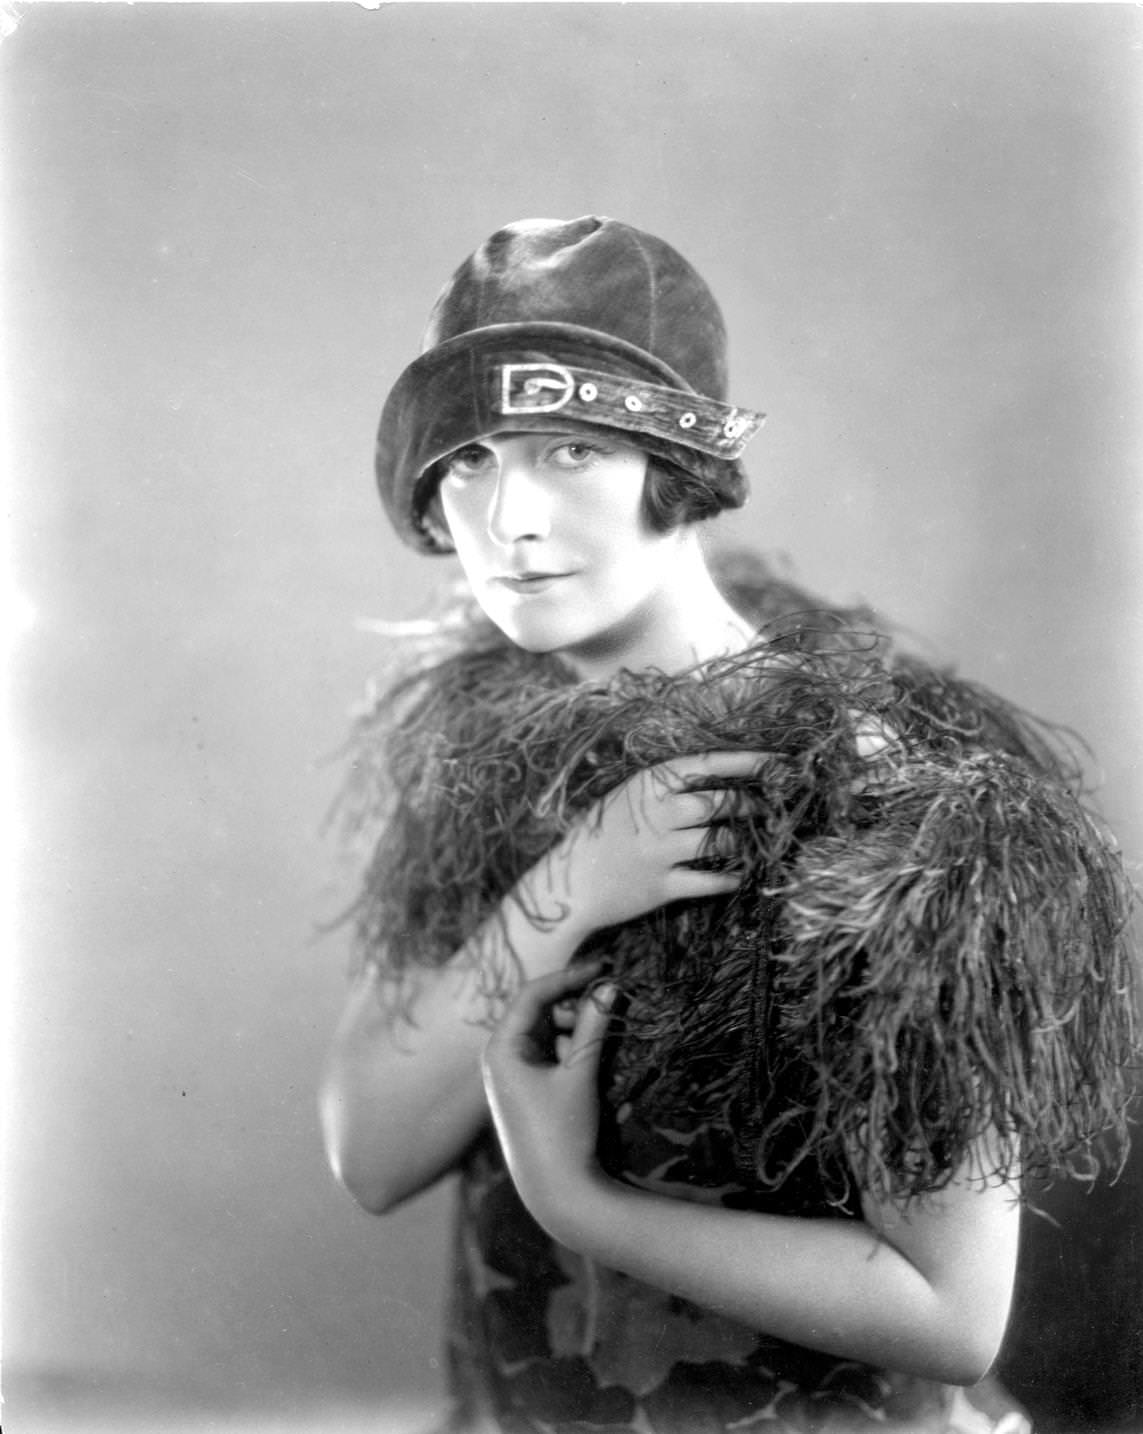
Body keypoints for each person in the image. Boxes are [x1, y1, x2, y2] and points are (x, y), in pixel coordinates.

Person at [320, 217, 1136, 1434]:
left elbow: (956, 1316)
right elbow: (371, 1148)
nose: (511, 519)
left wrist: (577, 1200)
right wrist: (581, 877)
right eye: (474, 460)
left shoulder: (882, 795)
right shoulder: (491, 748)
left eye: (571, 452)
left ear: (678, 468)